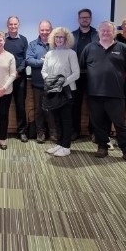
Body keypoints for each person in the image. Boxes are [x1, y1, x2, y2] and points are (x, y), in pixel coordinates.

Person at [79, 21, 126, 164]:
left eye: (108, 31)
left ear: (113, 32)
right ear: (98, 32)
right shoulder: (89, 48)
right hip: (94, 94)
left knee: (120, 124)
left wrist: (117, 77)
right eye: (103, 31)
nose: (105, 33)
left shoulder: (123, 48)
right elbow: (82, 68)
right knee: (99, 123)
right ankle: (102, 147)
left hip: (115, 93)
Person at [41, 27, 80, 157]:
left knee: (66, 119)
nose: (59, 39)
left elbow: (76, 74)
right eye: (56, 37)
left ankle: (66, 146)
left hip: (67, 90)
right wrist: (50, 81)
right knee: (56, 119)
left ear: (66, 39)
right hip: (53, 90)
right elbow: (44, 71)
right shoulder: (50, 53)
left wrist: (60, 83)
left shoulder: (71, 53)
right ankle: (60, 144)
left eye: (61, 37)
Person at [26, 20, 57, 143]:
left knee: (52, 109)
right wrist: (43, 61)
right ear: (39, 31)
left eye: (47, 30)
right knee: (39, 109)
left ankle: (54, 133)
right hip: (37, 83)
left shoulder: (56, 44)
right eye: (42, 30)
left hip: (53, 83)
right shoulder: (33, 44)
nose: (44, 32)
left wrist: (46, 60)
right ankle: (40, 133)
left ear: (51, 30)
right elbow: (29, 60)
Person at [71, 8, 99, 140]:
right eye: (82, 17)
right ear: (78, 19)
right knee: (75, 104)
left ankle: (93, 131)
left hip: (93, 75)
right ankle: (75, 131)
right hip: (76, 75)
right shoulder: (72, 35)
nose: (84, 19)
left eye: (87, 17)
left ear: (91, 19)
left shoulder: (98, 35)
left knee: (93, 105)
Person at [4, 16, 29, 142]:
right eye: (10, 24)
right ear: (7, 25)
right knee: (4, 106)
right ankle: (2, 131)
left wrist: (18, 72)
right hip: (4, 80)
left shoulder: (23, 40)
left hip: (20, 79)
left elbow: (26, 59)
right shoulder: (2, 39)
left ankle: (22, 132)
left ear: (18, 25)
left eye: (15, 24)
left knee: (20, 106)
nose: (13, 26)